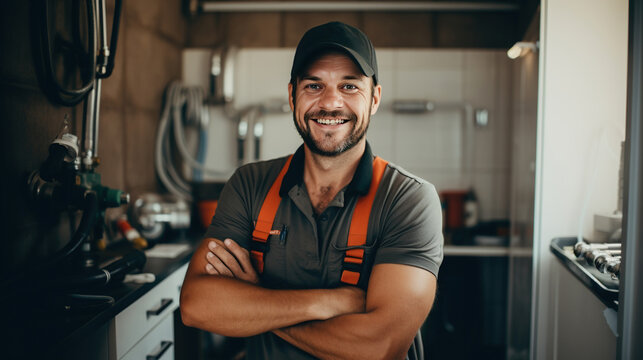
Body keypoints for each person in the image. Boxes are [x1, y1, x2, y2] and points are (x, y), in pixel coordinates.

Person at [180, 21, 444, 360]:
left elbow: (380, 347)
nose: (331, 103)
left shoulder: (407, 200)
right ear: (292, 96)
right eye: (314, 85)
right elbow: (197, 305)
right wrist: (329, 302)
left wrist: (257, 299)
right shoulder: (250, 185)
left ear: (374, 98)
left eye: (349, 86)